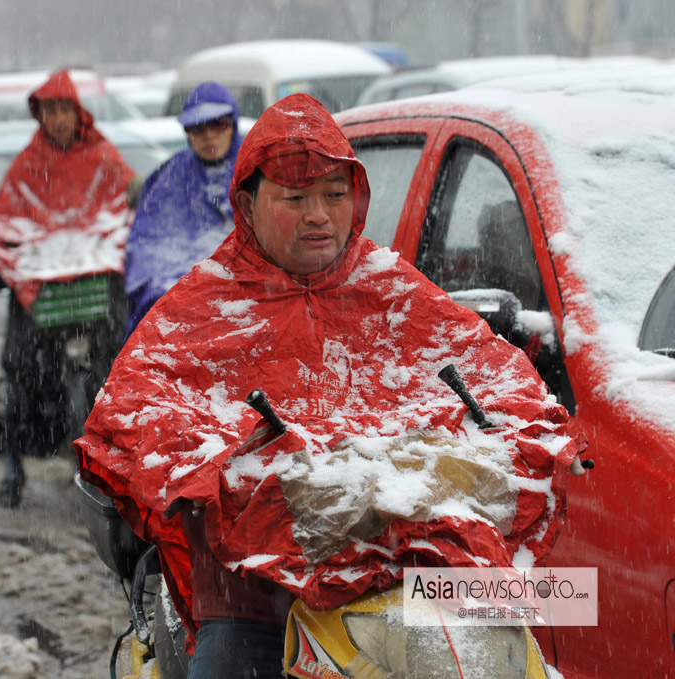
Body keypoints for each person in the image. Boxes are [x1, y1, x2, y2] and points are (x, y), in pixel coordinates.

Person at [75, 95, 578, 678]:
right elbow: (131, 414)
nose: (319, 215)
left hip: (419, 574)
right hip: (255, 596)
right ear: (248, 202)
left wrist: (518, 440)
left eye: (334, 195)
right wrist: (228, 466)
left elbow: (505, 385)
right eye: (295, 198)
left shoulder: (394, 292)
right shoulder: (202, 308)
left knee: (554, 613)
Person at [0, 69, 135, 509]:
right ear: (40, 115)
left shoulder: (103, 157)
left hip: (94, 295)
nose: (58, 119)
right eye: (50, 110)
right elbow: (5, 218)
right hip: (41, 300)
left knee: (110, 377)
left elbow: (126, 205)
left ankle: (109, 469)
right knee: (20, 376)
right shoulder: (27, 164)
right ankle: (13, 469)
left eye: (65, 109)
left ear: (77, 112)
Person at [123, 82, 242, 337]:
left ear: (233, 123)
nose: (209, 135)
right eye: (198, 128)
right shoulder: (169, 177)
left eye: (218, 124)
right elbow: (147, 244)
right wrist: (170, 289)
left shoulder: (257, 168)